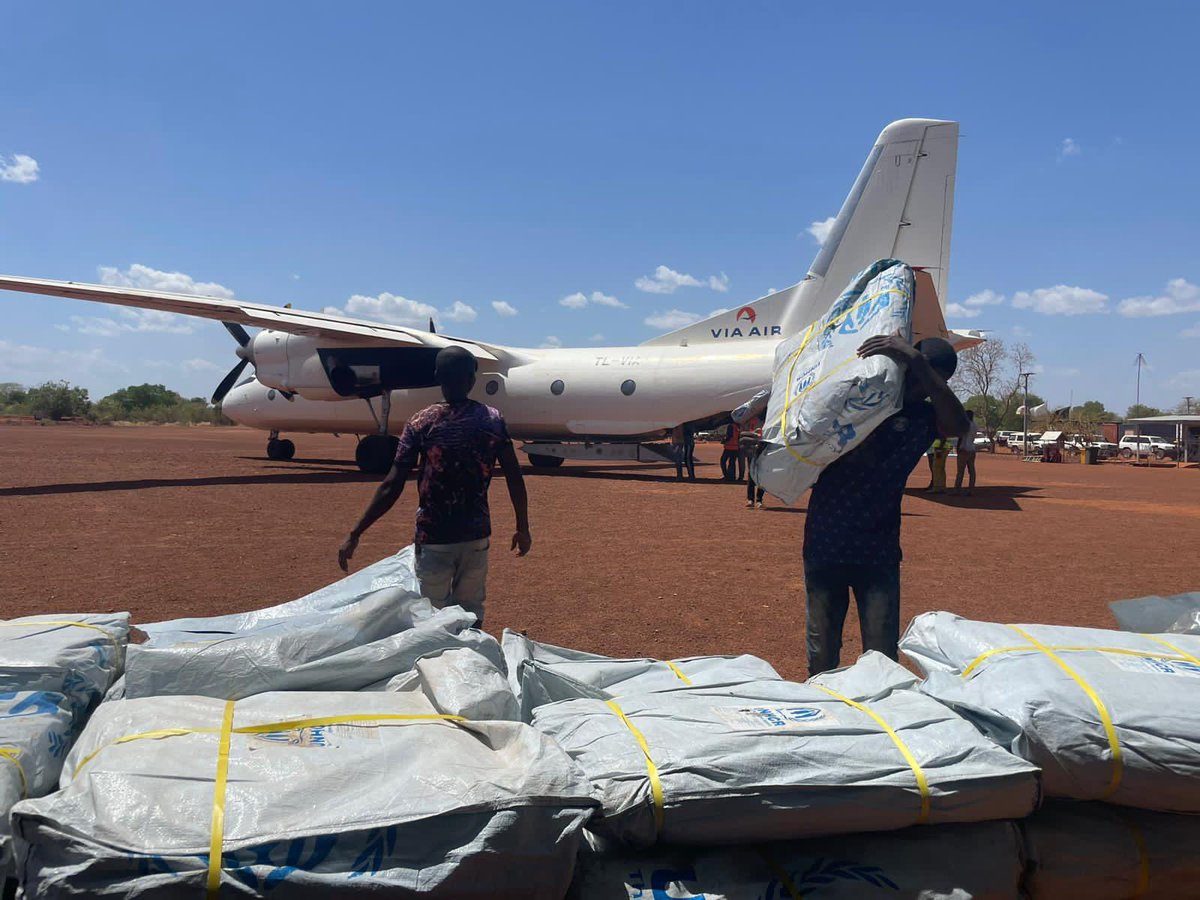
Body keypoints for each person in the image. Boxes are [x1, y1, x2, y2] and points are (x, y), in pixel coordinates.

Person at [803, 335, 967, 677]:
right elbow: (801, 431)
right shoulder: (856, 401)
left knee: (881, 658)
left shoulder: (922, 419)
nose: (923, 387)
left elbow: (958, 426)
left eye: (932, 380)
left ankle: (879, 723)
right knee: (822, 655)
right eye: (918, 374)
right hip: (826, 543)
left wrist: (919, 361)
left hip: (878, 551)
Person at [337, 346, 531, 628]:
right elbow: (515, 477)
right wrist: (522, 527)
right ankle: (469, 664)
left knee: (430, 616)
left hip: (434, 536)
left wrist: (356, 532)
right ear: (473, 377)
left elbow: (392, 485)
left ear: (438, 376)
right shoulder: (492, 420)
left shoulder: (420, 422)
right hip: (476, 536)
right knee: (471, 612)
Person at [740, 414, 766, 508]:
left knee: (761, 475)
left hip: (763, 450)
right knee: (751, 474)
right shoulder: (749, 421)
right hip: (752, 450)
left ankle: (759, 500)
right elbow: (743, 433)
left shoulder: (766, 421)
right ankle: (750, 499)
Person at [955, 410, 979, 494]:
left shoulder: (965, 425)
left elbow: (961, 437)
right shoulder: (975, 425)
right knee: (971, 470)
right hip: (972, 449)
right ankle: (971, 489)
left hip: (964, 449)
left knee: (960, 471)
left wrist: (958, 448)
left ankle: (957, 489)